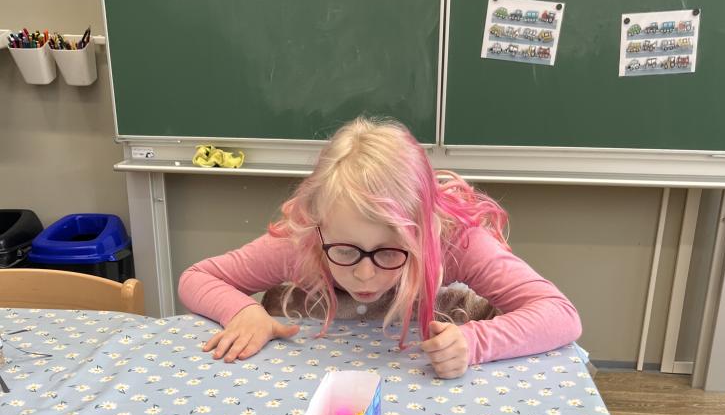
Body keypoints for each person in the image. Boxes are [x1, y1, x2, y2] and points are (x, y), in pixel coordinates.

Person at [178, 117, 581, 379]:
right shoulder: (303, 241)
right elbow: (197, 277)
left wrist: (475, 342)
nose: (365, 274)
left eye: (390, 252)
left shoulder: (452, 240)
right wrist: (245, 311)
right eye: (345, 251)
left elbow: (560, 315)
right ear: (318, 227)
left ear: (423, 232)